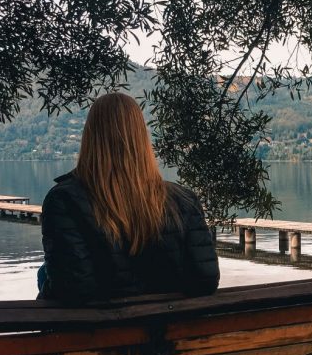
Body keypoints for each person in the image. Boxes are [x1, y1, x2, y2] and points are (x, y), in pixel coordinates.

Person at [37, 92, 219, 302]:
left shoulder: (64, 200)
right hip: (170, 320)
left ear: (90, 136)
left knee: (43, 273)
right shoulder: (184, 200)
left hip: (102, 322)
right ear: (142, 137)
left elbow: (74, 289)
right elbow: (205, 280)